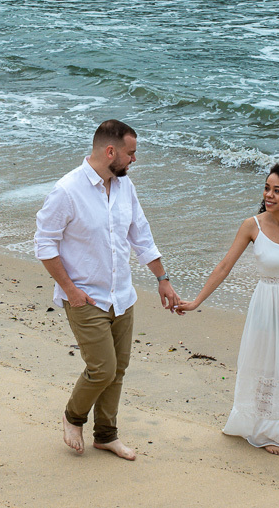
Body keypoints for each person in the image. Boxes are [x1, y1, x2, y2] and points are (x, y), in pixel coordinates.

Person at [34, 119, 181, 461]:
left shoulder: (124, 187)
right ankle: (73, 418)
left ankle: (106, 435)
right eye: (131, 153)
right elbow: (44, 244)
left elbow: (140, 234)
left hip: (122, 296)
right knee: (102, 368)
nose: (134, 160)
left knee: (118, 369)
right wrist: (70, 290)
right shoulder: (67, 191)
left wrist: (163, 278)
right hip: (85, 296)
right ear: (110, 151)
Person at [175, 162, 279, 455]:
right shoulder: (252, 225)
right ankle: (265, 433)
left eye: (278, 191)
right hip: (267, 306)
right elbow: (225, 266)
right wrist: (196, 301)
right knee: (269, 368)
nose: (269, 195)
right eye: (267, 188)